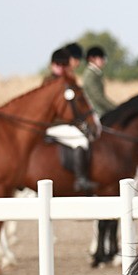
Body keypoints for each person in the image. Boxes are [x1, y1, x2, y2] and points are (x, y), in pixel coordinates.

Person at [43, 46, 97, 193]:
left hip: (64, 124)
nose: (61, 68)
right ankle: (80, 179)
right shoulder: (49, 82)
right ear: (52, 65)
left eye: (63, 65)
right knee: (81, 140)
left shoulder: (66, 82)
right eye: (58, 65)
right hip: (52, 125)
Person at [81, 46, 116, 116]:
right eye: (101, 58)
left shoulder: (95, 73)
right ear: (92, 58)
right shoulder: (90, 75)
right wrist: (115, 109)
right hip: (96, 113)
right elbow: (98, 97)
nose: (103, 61)